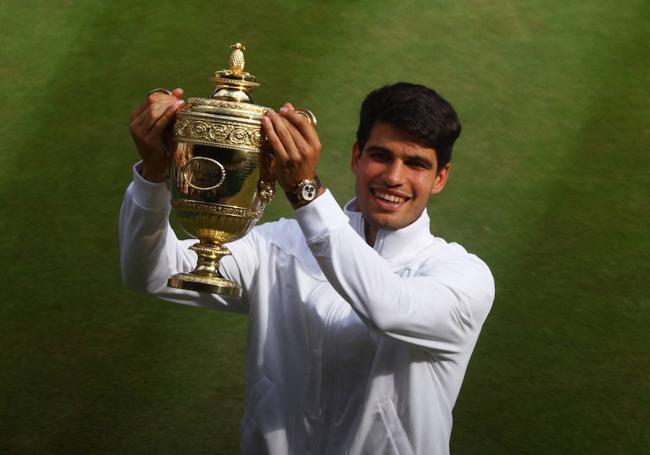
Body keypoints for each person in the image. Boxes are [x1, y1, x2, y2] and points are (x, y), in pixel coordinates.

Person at [120, 82, 495, 455]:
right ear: (356, 157)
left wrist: (305, 191)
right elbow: (151, 273)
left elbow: (388, 308)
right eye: (381, 155)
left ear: (440, 177)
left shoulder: (464, 278)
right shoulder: (279, 245)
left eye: (415, 163)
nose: (393, 177)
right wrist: (154, 175)